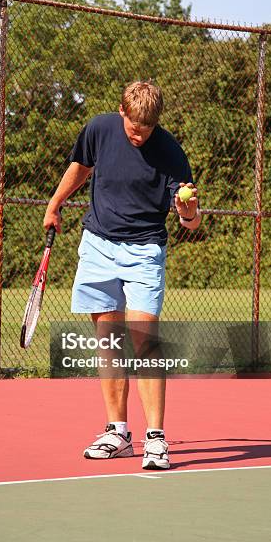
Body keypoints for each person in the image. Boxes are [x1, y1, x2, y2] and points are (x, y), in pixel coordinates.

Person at [43, 81, 201, 470]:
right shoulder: (99, 128)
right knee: (109, 341)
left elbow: (189, 224)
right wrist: (55, 203)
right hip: (97, 245)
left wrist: (189, 211)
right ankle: (118, 432)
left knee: (145, 342)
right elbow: (81, 166)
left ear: (155, 124)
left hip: (145, 250)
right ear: (121, 112)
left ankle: (156, 439)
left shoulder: (170, 153)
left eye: (145, 129)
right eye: (133, 126)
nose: (137, 134)